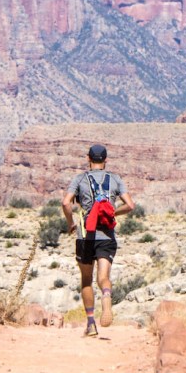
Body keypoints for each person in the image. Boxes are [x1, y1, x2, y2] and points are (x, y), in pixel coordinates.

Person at [61, 143, 135, 337]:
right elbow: (130, 205)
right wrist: (113, 213)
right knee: (103, 278)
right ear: (105, 160)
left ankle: (91, 322)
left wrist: (70, 223)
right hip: (107, 236)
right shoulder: (115, 179)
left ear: (88, 158)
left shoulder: (80, 179)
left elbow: (66, 203)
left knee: (86, 280)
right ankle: (106, 295)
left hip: (86, 236)